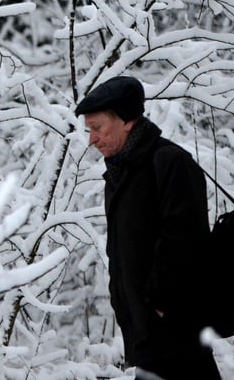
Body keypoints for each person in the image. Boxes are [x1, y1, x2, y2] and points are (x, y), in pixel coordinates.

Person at [75, 75, 222, 380]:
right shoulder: (119, 173)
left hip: (175, 331)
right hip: (147, 335)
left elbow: (185, 238)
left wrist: (159, 302)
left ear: (127, 121)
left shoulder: (170, 163)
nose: (91, 139)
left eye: (98, 128)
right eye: (89, 130)